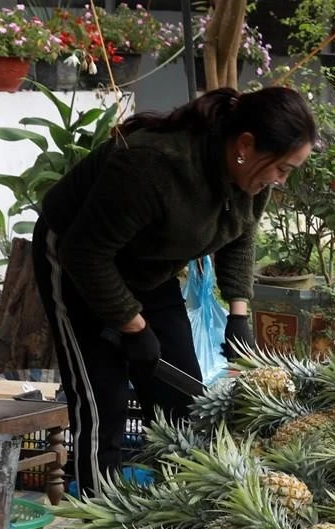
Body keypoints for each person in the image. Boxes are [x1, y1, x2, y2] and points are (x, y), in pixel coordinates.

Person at [32, 86, 317, 497]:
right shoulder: (152, 165)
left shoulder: (254, 173)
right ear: (246, 145)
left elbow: (239, 231)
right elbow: (86, 254)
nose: (282, 180)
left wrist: (238, 312)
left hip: (150, 267)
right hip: (79, 261)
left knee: (180, 399)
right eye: (283, 169)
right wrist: (133, 326)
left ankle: (181, 511)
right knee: (103, 400)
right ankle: (98, 525)